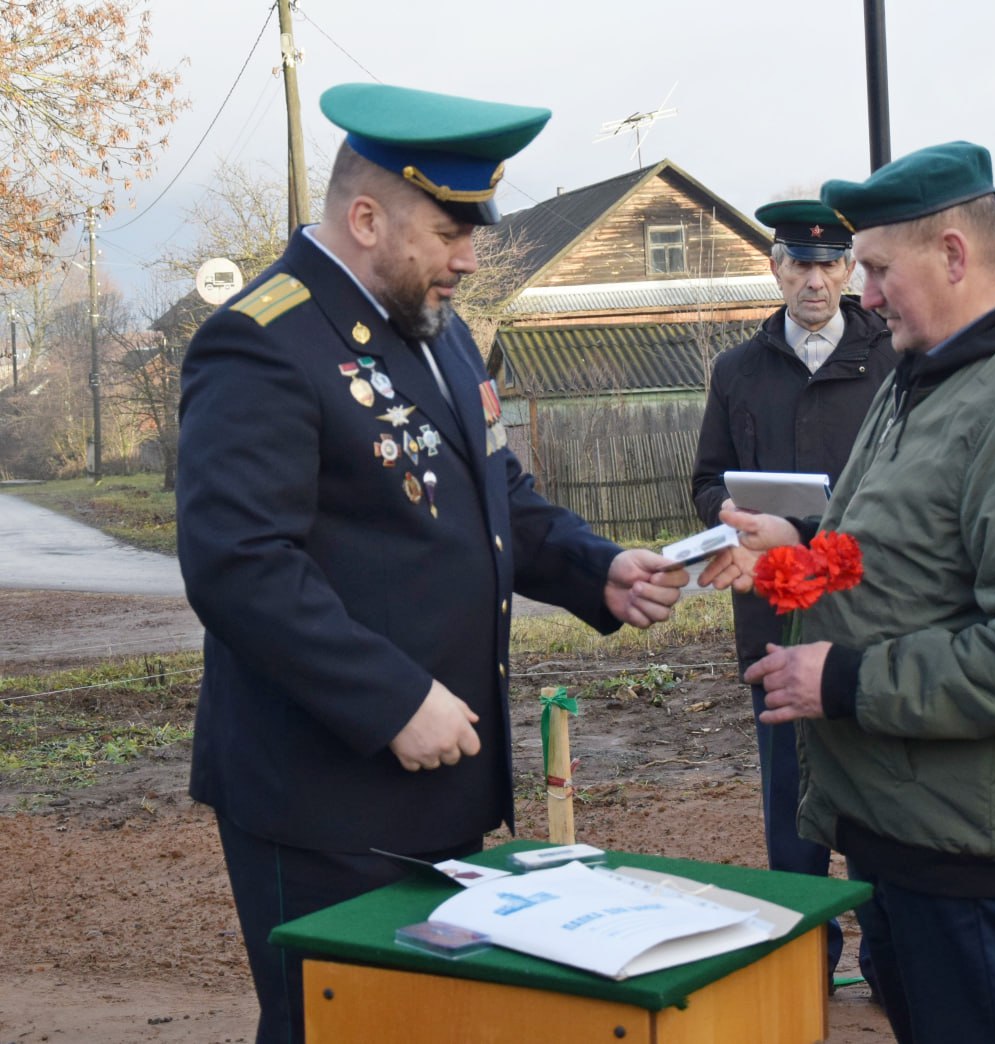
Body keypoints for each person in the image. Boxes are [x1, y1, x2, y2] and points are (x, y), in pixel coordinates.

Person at [175, 83, 688, 1044]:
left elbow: (496, 497)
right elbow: (238, 562)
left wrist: (598, 567)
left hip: (437, 779)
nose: (468, 256)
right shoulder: (261, 343)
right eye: (450, 230)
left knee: (422, 1023)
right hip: (324, 794)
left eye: (474, 231)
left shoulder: (438, 329)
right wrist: (391, 700)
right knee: (336, 1028)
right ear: (365, 218)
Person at [703, 142, 995, 1043]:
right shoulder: (925, 379)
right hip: (896, 819)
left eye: (881, 268)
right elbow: (880, 556)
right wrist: (791, 555)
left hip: (962, 837)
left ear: (955, 256)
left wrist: (845, 682)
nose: (868, 292)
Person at [690, 199, 894, 985]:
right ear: (774, 268)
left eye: (830, 264)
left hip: (865, 610)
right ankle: (808, 967)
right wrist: (728, 514)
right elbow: (708, 477)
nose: (815, 280)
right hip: (774, 611)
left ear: (849, 270)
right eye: (799, 264)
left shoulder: (891, 360)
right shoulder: (738, 369)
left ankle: (887, 962)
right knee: (790, 809)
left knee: (876, 801)